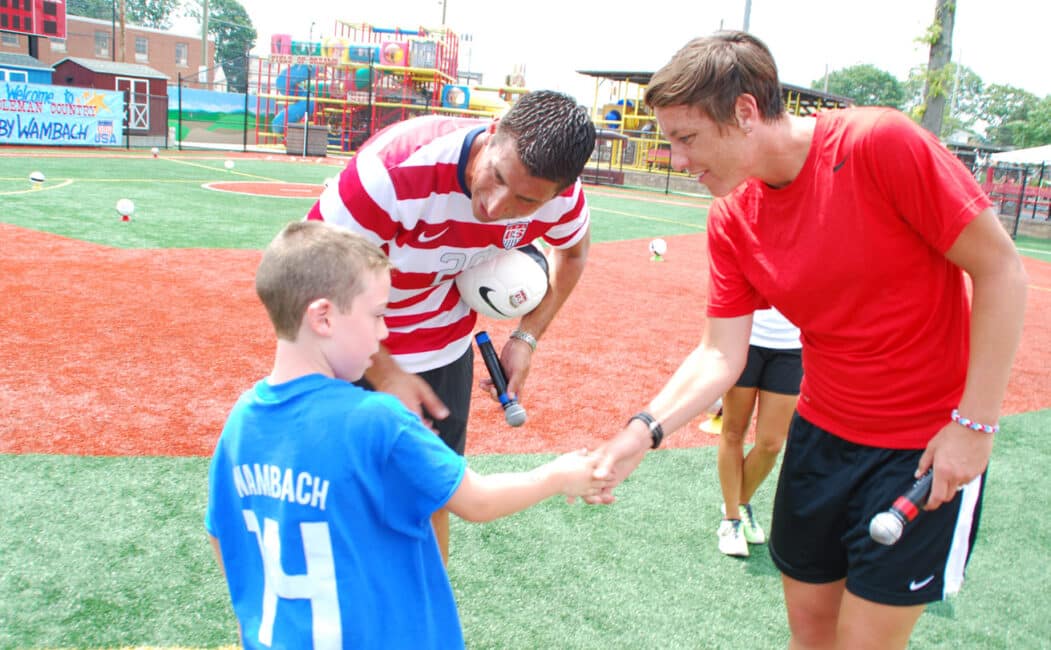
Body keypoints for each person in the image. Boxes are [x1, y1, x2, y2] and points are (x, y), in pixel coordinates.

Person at [590, 31, 1028, 649]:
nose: (679, 161)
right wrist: (642, 432)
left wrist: (975, 425)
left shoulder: (878, 143)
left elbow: (1001, 269)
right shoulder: (731, 218)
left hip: (920, 449)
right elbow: (720, 353)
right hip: (820, 441)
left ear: (744, 112)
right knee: (812, 637)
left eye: (686, 139)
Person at [205, 220, 603, 649]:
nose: (384, 333)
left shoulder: (242, 419)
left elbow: (222, 538)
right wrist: (560, 475)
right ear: (323, 317)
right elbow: (478, 500)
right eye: (378, 315)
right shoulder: (376, 419)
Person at [305, 90, 596, 563]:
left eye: (524, 200)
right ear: (494, 129)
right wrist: (387, 372)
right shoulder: (393, 171)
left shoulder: (559, 200)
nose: (496, 206)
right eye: (497, 177)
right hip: (344, 346)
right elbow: (314, 271)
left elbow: (575, 252)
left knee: (431, 494)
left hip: (442, 348)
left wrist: (526, 337)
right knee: (336, 496)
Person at [714, 306, 801, 558]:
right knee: (732, 432)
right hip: (744, 338)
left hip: (792, 346)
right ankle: (731, 519)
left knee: (771, 443)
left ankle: (739, 502)